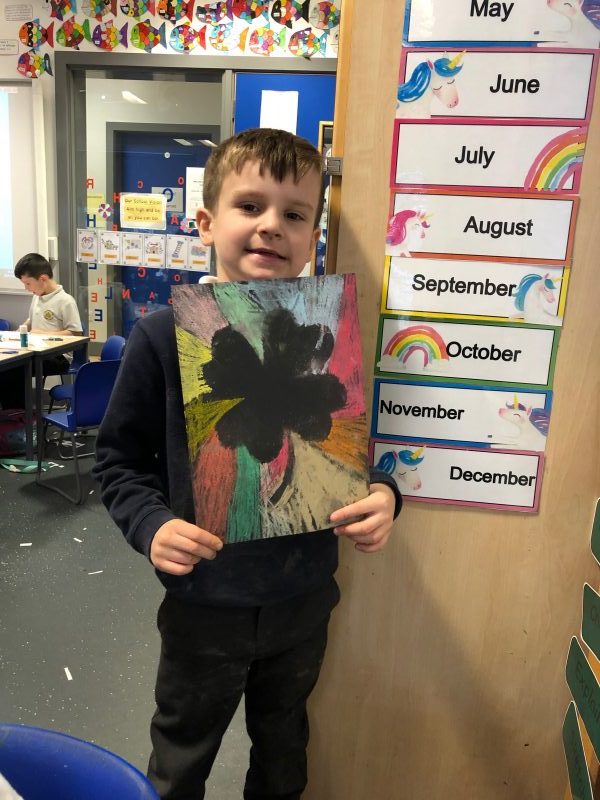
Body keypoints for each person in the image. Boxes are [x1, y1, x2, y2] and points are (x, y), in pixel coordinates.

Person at [93, 128, 402, 800]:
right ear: (207, 222)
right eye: (250, 206)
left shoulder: (327, 330)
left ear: (313, 236)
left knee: (284, 752)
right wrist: (151, 525)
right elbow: (118, 460)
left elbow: (344, 452)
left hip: (302, 599)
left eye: (294, 214)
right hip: (205, 602)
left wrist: (383, 494)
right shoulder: (161, 336)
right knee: (181, 756)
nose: (271, 226)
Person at [0, 253, 83, 410]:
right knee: (7, 366)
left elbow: (75, 332)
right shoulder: (37, 296)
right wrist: (18, 332)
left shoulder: (65, 301)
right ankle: (9, 415)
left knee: (14, 369)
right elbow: (31, 320)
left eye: (28, 284)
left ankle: (20, 416)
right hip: (36, 352)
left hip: (57, 357)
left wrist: (44, 335)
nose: (26, 288)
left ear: (43, 278)